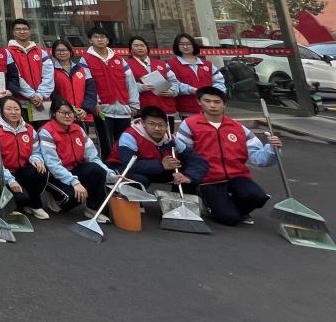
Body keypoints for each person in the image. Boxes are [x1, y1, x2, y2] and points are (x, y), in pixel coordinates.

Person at [175, 86, 281, 226]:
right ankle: (213, 205)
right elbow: (183, 154)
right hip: (208, 179)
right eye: (207, 101)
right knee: (230, 219)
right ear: (199, 102)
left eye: (217, 102)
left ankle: (231, 208)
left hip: (237, 176)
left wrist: (272, 148)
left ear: (224, 104)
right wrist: (190, 176)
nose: (212, 105)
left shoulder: (238, 128)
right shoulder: (189, 124)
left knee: (258, 197)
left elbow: (259, 159)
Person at [38, 99, 118, 221]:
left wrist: (111, 175)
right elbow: (52, 164)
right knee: (73, 198)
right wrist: (74, 182)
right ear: (54, 113)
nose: (68, 116)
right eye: (63, 112)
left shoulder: (78, 129)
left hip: (74, 169)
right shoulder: (46, 131)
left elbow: (92, 157)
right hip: (54, 174)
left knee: (97, 170)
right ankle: (55, 198)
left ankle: (92, 209)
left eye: (70, 112)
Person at [0, 97, 50, 218]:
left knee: (41, 171)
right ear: (1, 111)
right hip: (3, 174)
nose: (13, 112)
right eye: (9, 109)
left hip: (23, 169)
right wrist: (10, 180)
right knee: (21, 199)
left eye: (16, 109)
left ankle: (34, 204)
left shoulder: (29, 129)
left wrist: (36, 159)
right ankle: (22, 201)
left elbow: (36, 150)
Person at [109, 106, 203, 189]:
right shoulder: (129, 136)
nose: (157, 128)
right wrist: (161, 165)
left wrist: (189, 177)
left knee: (187, 175)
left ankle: (178, 200)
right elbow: (129, 165)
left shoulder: (170, 138)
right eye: (152, 124)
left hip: (157, 169)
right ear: (143, 123)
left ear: (167, 125)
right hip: (123, 169)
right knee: (138, 180)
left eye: (161, 125)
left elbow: (195, 159)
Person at [81, 26, 138, 152]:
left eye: (103, 37)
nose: (100, 40)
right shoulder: (85, 59)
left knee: (125, 144)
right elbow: (88, 84)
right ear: (90, 40)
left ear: (107, 40)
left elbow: (131, 82)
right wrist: (95, 103)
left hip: (123, 109)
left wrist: (134, 104)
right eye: (96, 37)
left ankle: (126, 164)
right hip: (103, 111)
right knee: (106, 145)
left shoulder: (119, 59)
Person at [124, 36, 179, 127]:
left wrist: (172, 91)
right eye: (136, 46)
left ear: (147, 47)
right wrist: (140, 87)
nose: (140, 48)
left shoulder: (161, 63)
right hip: (143, 108)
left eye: (142, 45)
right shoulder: (126, 65)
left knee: (168, 134)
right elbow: (123, 85)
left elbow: (174, 81)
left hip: (165, 106)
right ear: (130, 49)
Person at [8, 19, 54, 126]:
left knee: (43, 132)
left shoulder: (41, 52)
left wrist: (40, 95)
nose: (22, 32)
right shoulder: (7, 53)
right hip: (20, 104)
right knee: (26, 133)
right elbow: (15, 77)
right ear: (13, 32)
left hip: (42, 102)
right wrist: (32, 95)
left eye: (25, 29)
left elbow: (49, 76)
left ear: (29, 31)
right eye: (18, 29)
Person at [167, 33, 225, 119]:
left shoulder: (207, 64)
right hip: (188, 108)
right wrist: (191, 90)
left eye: (188, 44)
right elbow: (171, 83)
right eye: (182, 44)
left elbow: (219, 80)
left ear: (194, 45)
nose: (185, 47)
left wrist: (213, 92)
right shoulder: (171, 64)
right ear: (177, 46)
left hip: (211, 107)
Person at [50, 39, 98, 137]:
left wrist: (85, 109)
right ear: (54, 53)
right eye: (58, 50)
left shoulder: (82, 69)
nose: (62, 53)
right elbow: (53, 94)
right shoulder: (50, 70)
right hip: (63, 116)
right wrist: (66, 109)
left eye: (64, 50)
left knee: (85, 142)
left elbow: (91, 91)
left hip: (83, 115)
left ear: (70, 51)